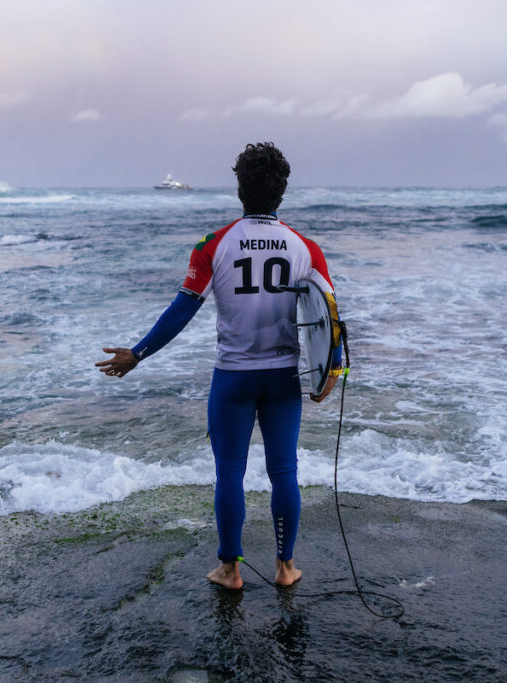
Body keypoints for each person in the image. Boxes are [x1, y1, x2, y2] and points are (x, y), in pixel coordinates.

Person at [96, 142, 343, 590]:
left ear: (239, 188)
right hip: (284, 376)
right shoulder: (306, 248)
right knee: (284, 470)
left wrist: (138, 353)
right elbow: (331, 315)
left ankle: (230, 570)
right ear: (282, 191)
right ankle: (286, 568)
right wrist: (333, 371)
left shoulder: (214, 245)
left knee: (229, 471)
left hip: (233, 378)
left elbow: (181, 310)